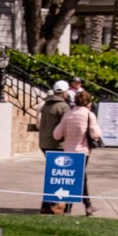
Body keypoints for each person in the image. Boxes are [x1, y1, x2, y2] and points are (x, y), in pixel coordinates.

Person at [53, 89, 102, 216]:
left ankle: (76, 206)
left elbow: (57, 135)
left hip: (68, 151)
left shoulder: (67, 114)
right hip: (82, 151)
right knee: (80, 179)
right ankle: (85, 206)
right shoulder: (88, 114)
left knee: (72, 178)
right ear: (88, 102)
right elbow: (95, 133)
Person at [38, 81, 71, 213]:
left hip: (44, 143)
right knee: (58, 176)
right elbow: (64, 127)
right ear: (63, 92)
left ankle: (47, 204)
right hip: (57, 145)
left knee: (51, 174)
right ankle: (50, 204)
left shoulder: (46, 104)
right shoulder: (63, 107)